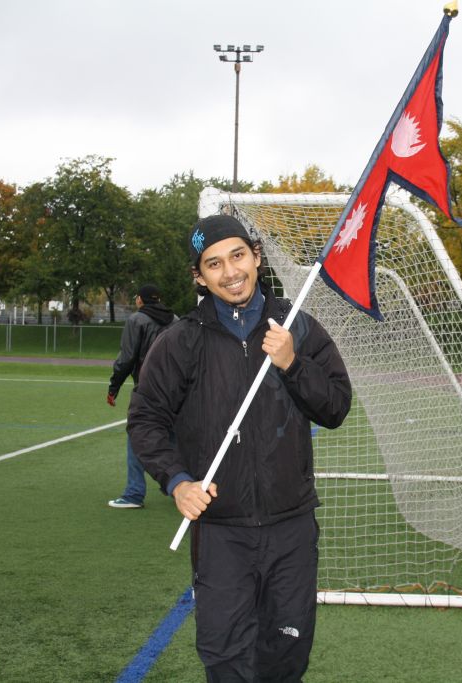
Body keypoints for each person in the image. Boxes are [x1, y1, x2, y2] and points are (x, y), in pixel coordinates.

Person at [128, 214, 352, 682]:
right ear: (199, 276)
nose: (230, 272)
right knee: (225, 658)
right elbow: (146, 420)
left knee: (286, 656)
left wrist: (292, 363)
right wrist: (177, 482)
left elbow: (335, 407)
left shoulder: (297, 327)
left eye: (237, 256)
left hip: (290, 527)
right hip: (221, 532)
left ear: (256, 256)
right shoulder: (181, 340)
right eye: (214, 264)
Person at [106, 283, 177, 509]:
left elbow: (127, 357)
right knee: (173, 438)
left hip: (148, 388)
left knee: (137, 435)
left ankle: (134, 493)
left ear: (140, 300)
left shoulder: (137, 320)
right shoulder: (176, 320)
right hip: (175, 389)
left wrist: (114, 386)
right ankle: (177, 485)